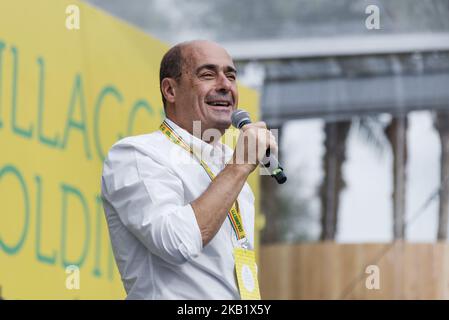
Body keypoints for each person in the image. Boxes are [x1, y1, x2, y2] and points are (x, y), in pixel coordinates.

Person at [101, 40, 277, 299]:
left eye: (231, 76)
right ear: (170, 90)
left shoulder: (232, 164)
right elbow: (176, 242)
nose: (225, 85)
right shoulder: (136, 154)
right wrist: (240, 166)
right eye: (207, 75)